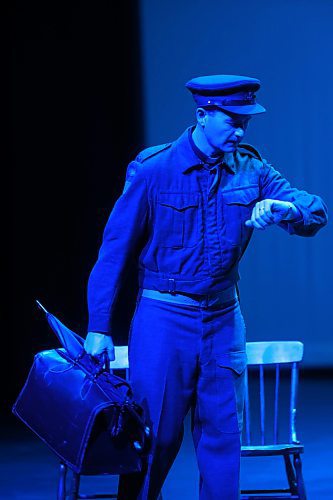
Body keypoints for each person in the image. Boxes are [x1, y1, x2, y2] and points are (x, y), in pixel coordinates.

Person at [84, 74, 328, 499]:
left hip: (222, 318)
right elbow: (113, 252)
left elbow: (313, 212)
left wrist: (284, 207)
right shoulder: (154, 169)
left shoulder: (252, 169)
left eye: (246, 122)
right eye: (232, 120)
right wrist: (99, 327)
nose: (240, 130)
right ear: (202, 115)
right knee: (154, 435)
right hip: (164, 317)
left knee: (223, 436)